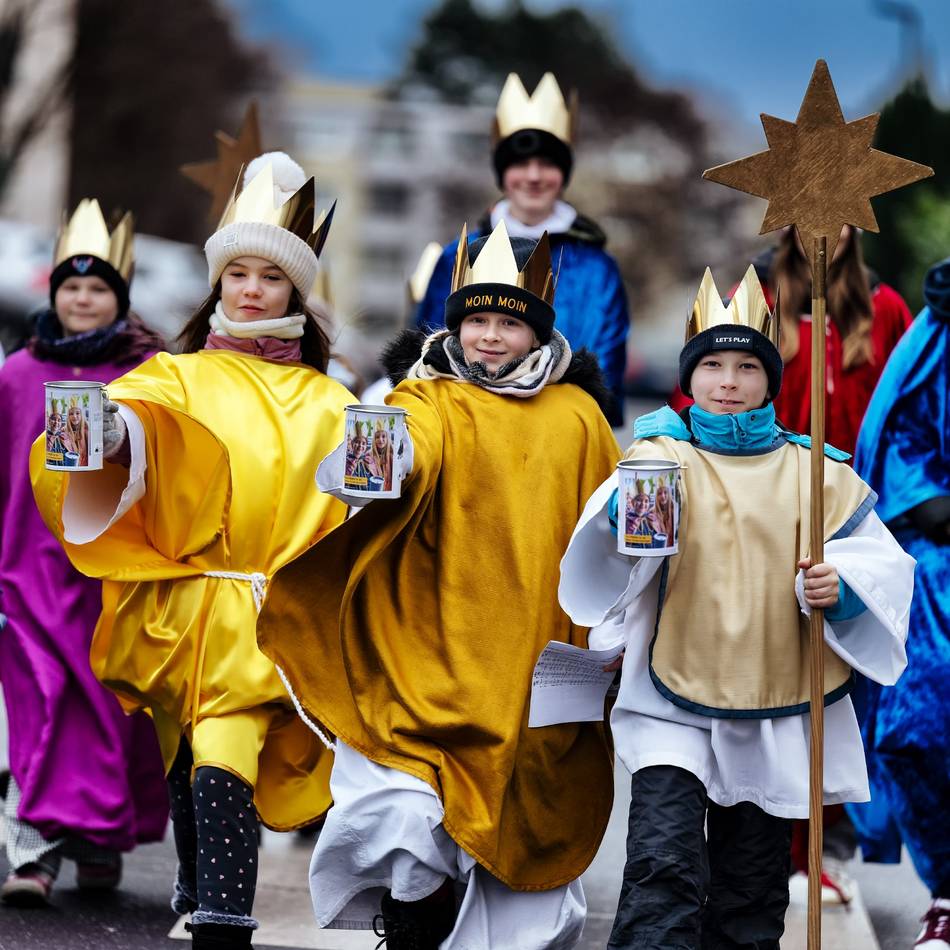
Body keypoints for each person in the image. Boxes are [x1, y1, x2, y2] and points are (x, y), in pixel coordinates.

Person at [258, 221, 620, 950]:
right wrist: (380, 453)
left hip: (527, 659)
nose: (490, 337)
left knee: (520, 829)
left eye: (508, 323)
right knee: (407, 822)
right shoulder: (424, 399)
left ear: (536, 333)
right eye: (477, 320)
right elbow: (397, 451)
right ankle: (411, 935)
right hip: (423, 649)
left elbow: (608, 528)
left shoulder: (578, 418)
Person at [31, 153, 353, 949]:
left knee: (225, 756)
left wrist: (387, 475)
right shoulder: (174, 374)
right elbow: (141, 424)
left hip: (268, 618)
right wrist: (110, 433)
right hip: (181, 611)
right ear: (218, 284)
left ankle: (223, 921)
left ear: (294, 292)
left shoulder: (330, 396)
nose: (251, 290)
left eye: (270, 278)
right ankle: (196, 881)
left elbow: (356, 504)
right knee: (188, 755)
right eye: (237, 272)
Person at [559, 265, 914, 949]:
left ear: (770, 379)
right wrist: (618, 533)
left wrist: (839, 588)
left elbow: (880, 564)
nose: (728, 382)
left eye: (746, 366)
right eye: (713, 365)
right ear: (689, 377)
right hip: (671, 701)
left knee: (751, 886)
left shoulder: (816, 472)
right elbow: (601, 561)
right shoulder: (658, 458)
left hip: (775, 705)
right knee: (663, 865)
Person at [0, 199, 168, 906]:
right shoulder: (15, 376)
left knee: (108, 710)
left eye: (98, 288)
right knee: (38, 704)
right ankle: (33, 850)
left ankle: (99, 839)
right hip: (27, 573)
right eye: (72, 286)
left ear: (119, 300)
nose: (82, 298)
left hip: (114, 577)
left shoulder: (152, 376)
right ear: (53, 292)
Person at [415, 72, 629, 426]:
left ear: (563, 173)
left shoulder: (597, 267)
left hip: (561, 426)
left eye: (547, 164)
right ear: (503, 173)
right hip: (465, 421)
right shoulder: (458, 256)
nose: (533, 176)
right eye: (520, 163)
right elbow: (429, 345)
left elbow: (606, 364)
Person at [851, 257, 950, 949]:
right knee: (917, 732)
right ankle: (947, 887)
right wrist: (929, 500)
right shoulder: (937, 329)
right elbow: (903, 429)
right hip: (942, 562)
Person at [671, 225, 912, 457]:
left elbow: (913, 403)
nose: (824, 230)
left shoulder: (885, 307)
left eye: (839, 218)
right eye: (810, 218)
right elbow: (706, 389)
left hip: (863, 482)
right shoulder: (752, 301)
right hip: (771, 476)